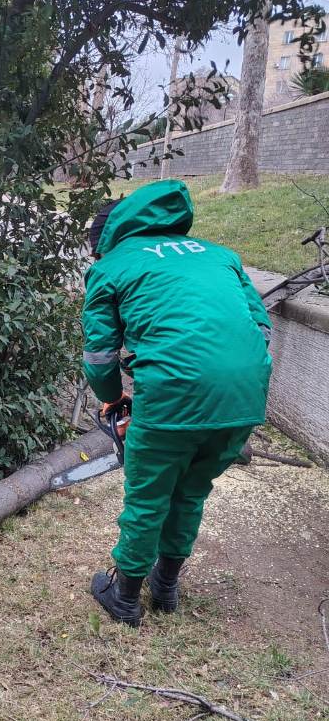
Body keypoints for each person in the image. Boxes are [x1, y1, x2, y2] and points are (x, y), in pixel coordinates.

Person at [82, 179, 272, 627]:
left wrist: (113, 400)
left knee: (148, 498)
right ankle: (165, 587)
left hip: (173, 396)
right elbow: (260, 330)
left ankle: (126, 597)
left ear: (107, 241)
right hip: (244, 397)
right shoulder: (221, 256)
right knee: (190, 490)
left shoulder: (112, 267)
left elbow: (99, 357)